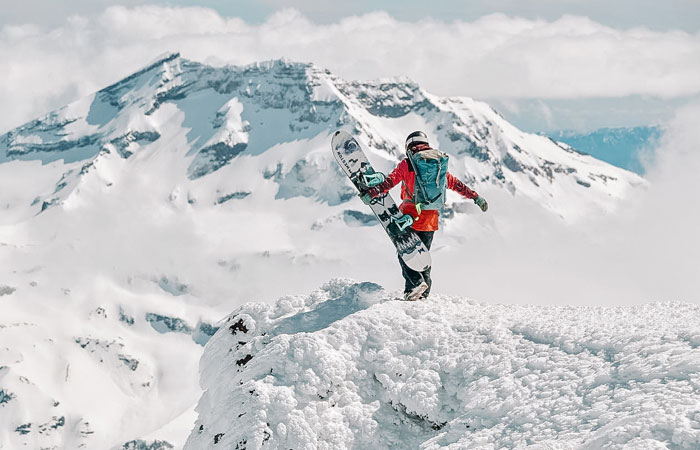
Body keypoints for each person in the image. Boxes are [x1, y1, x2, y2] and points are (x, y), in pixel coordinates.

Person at [362, 131, 488, 301]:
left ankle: (415, 285)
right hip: (430, 221)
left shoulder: (408, 164)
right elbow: (457, 184)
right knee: (422, 255)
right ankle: (420, 293)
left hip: (409, 216)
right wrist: (476, 198)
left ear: (409, 147)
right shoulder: (438, 167)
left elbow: (389, 182)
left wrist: (372, 193)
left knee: (405, 253)